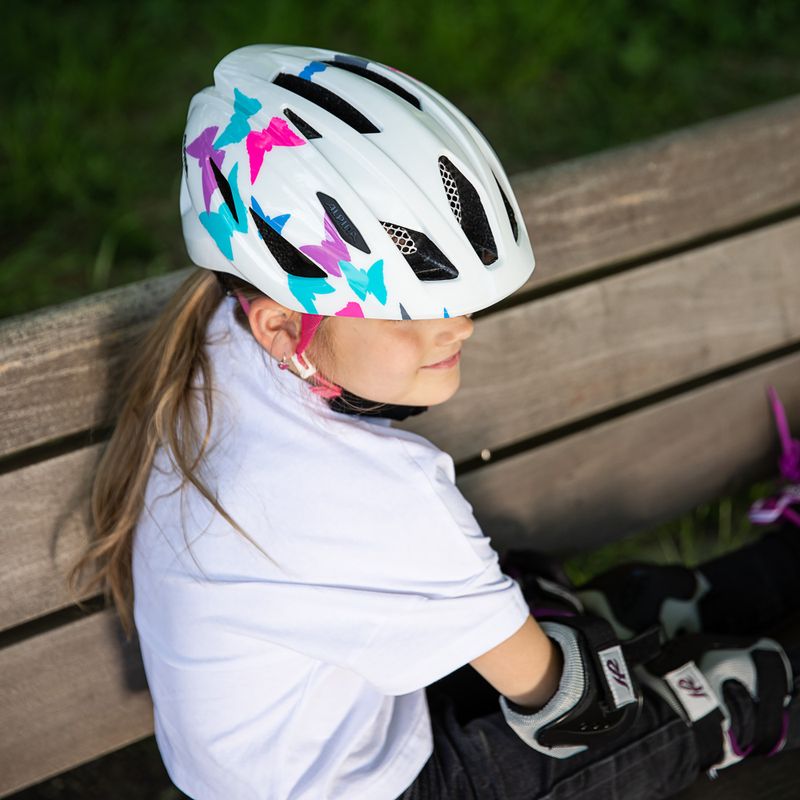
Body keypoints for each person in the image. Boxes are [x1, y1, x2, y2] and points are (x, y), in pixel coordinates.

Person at [69, 44, 800, 800]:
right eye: (412, 306)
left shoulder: (217, 344)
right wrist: (585, 658)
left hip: (313, 750)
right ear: (283, 325)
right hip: (378, 784)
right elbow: (572, 708)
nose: (460, 328)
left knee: (567, 608)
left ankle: (761, 575)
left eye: (457, 300)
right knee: (705, 693)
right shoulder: (366, 490)